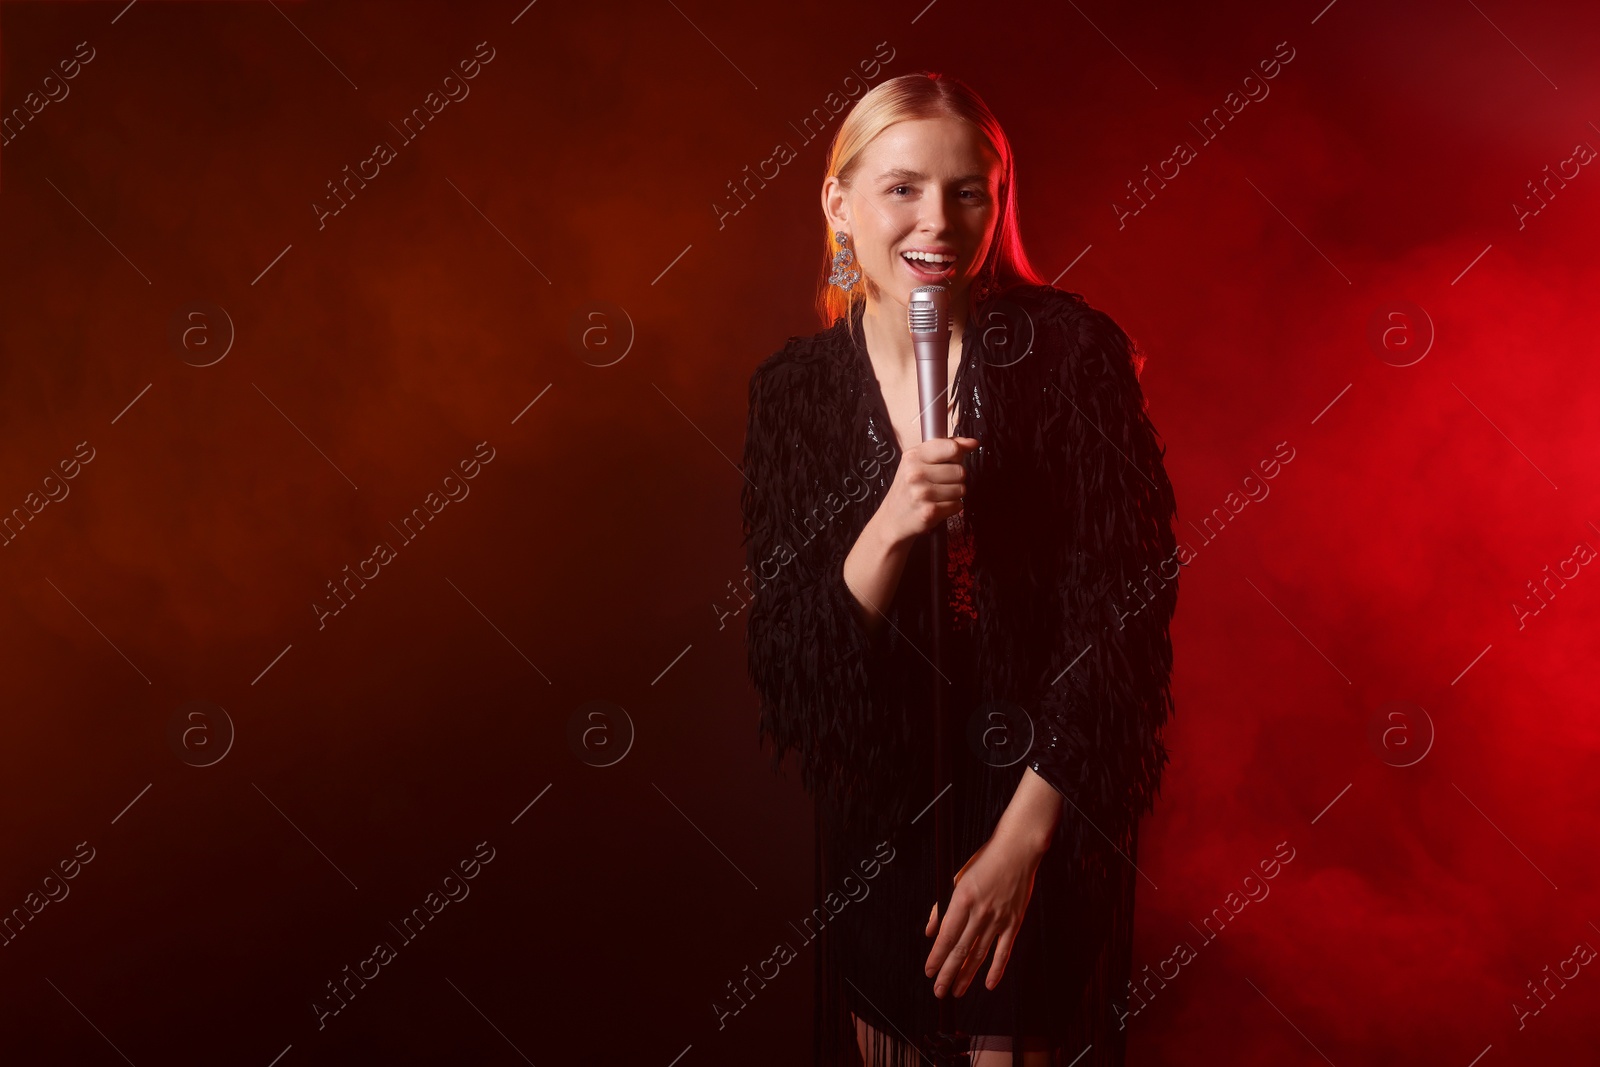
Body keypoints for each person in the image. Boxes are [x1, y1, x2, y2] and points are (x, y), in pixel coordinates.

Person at [740, 71, 1181, 1067]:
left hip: (1043, 797)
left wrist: (1024, 843)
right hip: (888, 821)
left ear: (997, 201)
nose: (936, 221)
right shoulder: (796, 395)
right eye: (902, 187)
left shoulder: (1070, 356)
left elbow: (1124, 622)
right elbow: (792, 666)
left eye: (966, 191)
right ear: (838, 202)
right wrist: (891, 520)